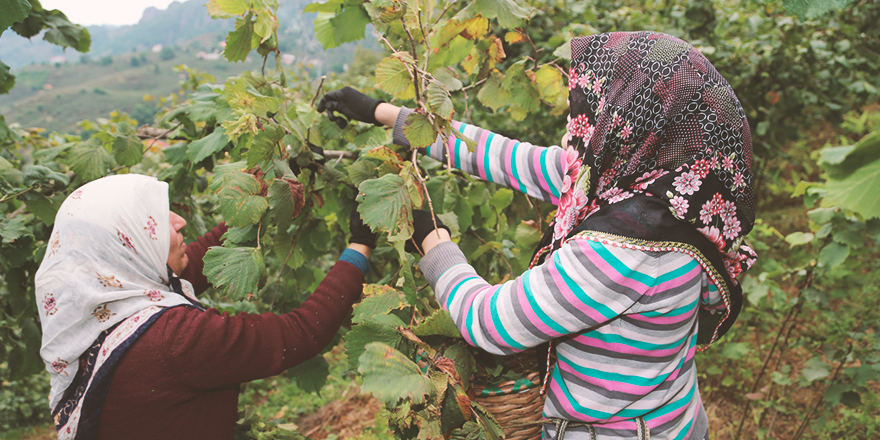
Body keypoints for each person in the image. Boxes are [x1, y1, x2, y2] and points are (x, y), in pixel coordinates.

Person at [319, 31, 757, 440]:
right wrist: (386, 113)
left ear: (632, 119)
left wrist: (432, 241)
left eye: (607, 101)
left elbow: (492, 323)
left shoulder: (625, 252)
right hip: (674, 417)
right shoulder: (676, 194)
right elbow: (507, 158)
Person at [35, 173, 376, 440]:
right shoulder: (175, 340)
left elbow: (195, 264)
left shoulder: (97, 307)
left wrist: (261, 198)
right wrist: (359, 247)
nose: (179, 221)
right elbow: (300, 332)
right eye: (153, 221)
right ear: (130, 245)